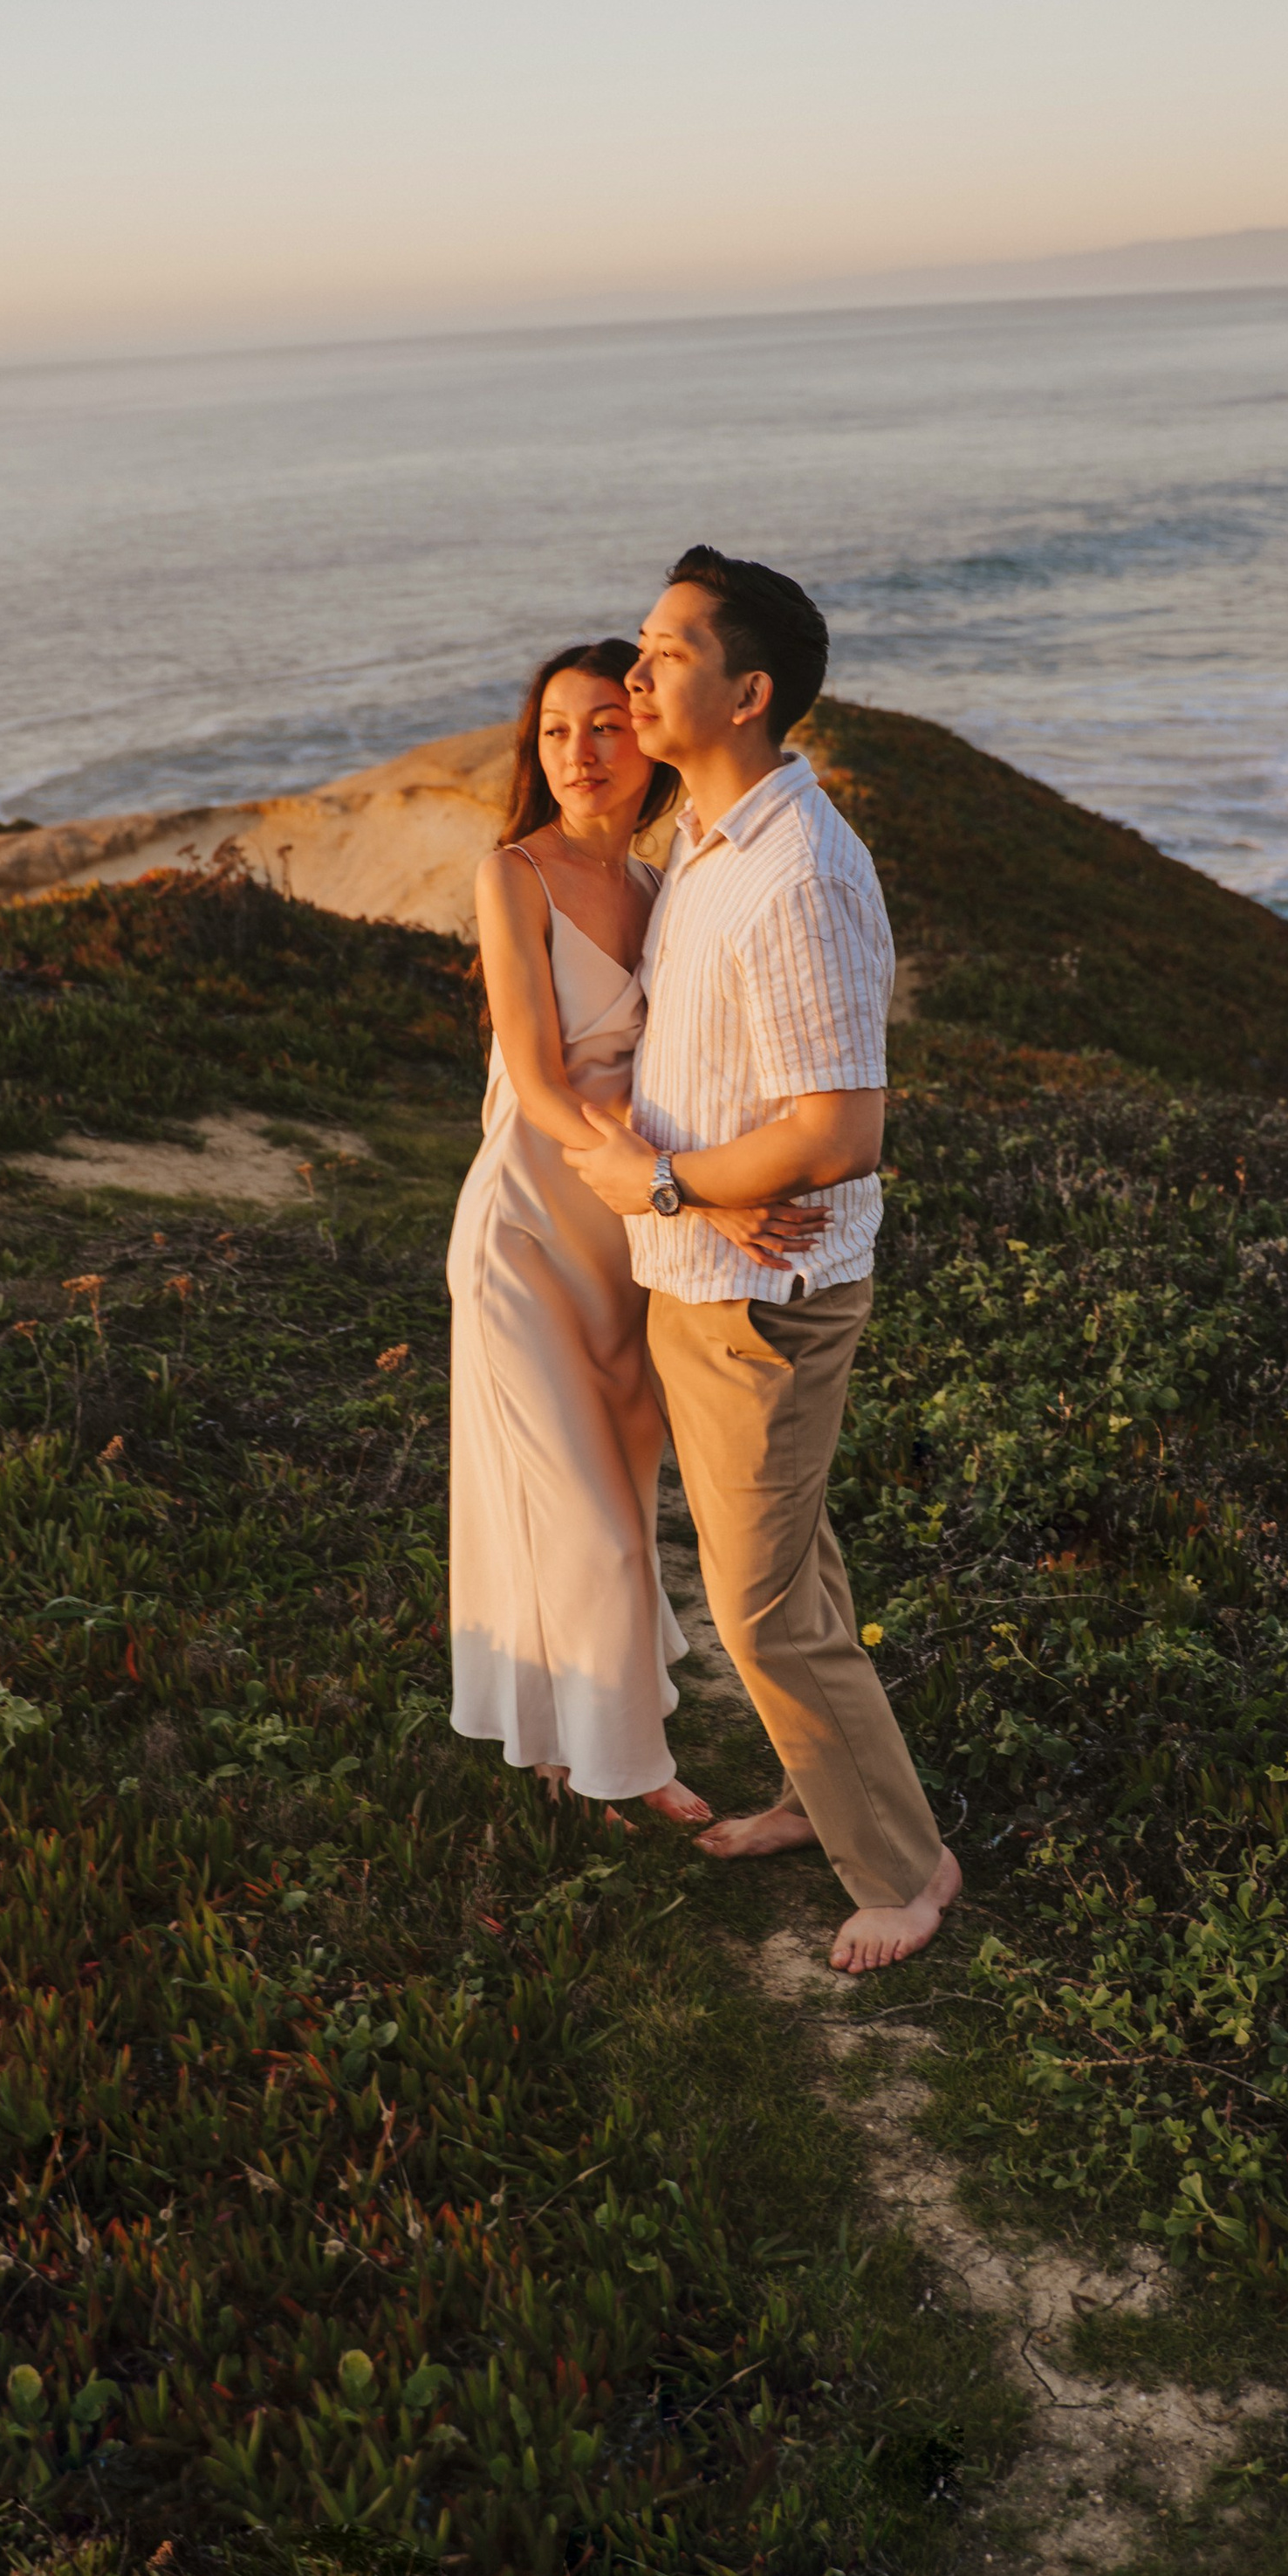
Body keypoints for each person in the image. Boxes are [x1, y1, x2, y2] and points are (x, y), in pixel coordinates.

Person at [565, 547, 962, 1974]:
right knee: (792, 1567)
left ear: (749, 692)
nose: (632, 671)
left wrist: (671, 1181)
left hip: (766, 1297)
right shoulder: (712, 843)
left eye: (666, 652)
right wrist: (682, 1187)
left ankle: (907, 1873)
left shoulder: (798, 869)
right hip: (710, 1269)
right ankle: (828, 1791)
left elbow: (841, 1129)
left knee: (760, 1608)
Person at [446, 638, 818, 1818]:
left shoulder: (667, 893)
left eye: (605, 723)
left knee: (617, 1488)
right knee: (584, 1516)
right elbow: (544, 1087)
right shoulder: (514, 874)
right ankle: (627, 1769)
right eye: (555, 731)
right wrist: (681, 1183)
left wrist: (719, 1192)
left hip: (632, 1242)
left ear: (647, 736)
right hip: (528, 1231)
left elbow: (699, 1070)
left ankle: (565, 1736)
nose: (579, 753)